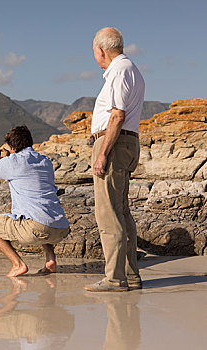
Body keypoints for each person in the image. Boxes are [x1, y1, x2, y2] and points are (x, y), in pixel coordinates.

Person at [84, 27, 145, 292]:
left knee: (108, 215)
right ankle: (130, 275)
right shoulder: (131, 70)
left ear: (101, 50)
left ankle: (115, 278)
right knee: (121, 212)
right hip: (127, 142)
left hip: (115, 142)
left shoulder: (120, 71)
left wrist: (102, 154)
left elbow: (117, 116)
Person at [0, 125, 70, 277]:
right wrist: (8, 157)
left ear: (12, 147)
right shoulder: (45, 161)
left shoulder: (11, 162)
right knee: (40, 209)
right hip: (61, 227)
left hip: (37, 229)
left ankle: (18, 264)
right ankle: (50, 260)